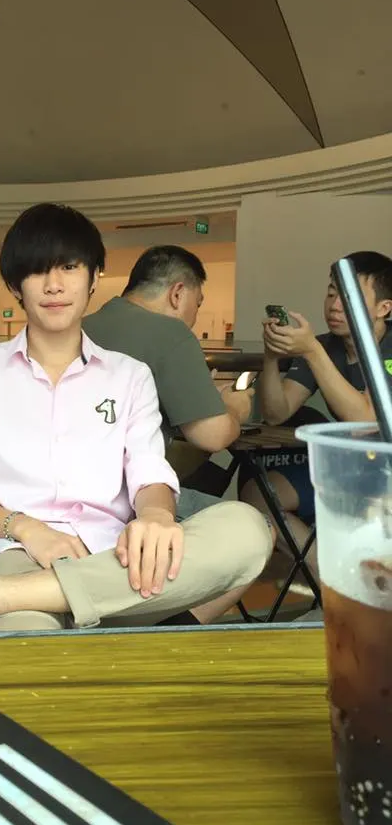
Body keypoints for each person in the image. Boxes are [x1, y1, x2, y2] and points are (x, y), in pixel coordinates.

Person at [0, 204, 271, 636]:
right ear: (15, 285)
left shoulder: (129, 376)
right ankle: (60, 611)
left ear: (94, 278)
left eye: (69, 267)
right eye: (38, 270)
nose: (54, 285)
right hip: (15, 551)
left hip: (116, 557)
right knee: (32, 641)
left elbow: (148, 472)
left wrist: (156, 517)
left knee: (247, 531)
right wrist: (27, 529)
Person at [82, 244, 263, 623]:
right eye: (197, 303)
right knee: (258, 529)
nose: (194, 316)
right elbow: (213, 436)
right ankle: (168, 629)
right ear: (178, 293)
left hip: (74, 500)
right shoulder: (170, 333)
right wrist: (235, 406)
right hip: (130, 501)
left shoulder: (85, 326)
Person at [241, 250, 392, 572]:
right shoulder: (325, 346)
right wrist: (271, 356)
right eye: (331, 293)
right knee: (258, 495)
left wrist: (311, 350)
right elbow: (277, 412)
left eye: (349, 297)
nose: (335, 306)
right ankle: (330, 576)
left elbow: (367, 419)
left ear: (384, 308)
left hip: (386, 474)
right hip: (353, 468)